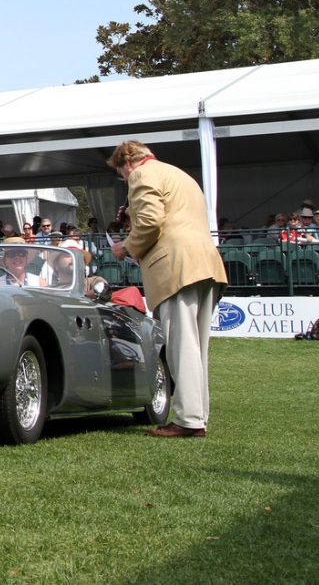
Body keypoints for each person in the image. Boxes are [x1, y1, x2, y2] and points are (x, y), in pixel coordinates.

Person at [109, 139, 227, 438]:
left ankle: (188, 421)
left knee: (180, 346)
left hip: (175, 266)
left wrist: (126, 246)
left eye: (121, 173)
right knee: (197, 347)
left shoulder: (142, 175)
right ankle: (196, 416)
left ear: (128, 162)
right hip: (205, 263)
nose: (124, 179)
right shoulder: (178, 174)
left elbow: (151, 221)